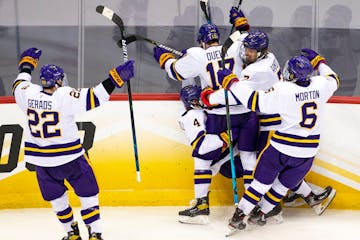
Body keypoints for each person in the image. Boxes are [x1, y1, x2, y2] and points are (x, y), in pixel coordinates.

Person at [204, 48, 338, 233]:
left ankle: (239, 217)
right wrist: (320, 62)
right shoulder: (320, 85)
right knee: (281, 187)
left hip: (282, 147)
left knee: (260, 184)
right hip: (308, 152)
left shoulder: (284, 90)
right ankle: (262, 214)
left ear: (291, 74)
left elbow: (254, 102)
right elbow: (333, 78)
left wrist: (232, 83)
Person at [13, 47, 135, 240]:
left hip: (42, 163)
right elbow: (96, 96)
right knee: (88, 194)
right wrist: (116, 78)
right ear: (59, 81)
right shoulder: (64, 96)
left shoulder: (27, 94)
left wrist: (26, 64)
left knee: (57, 199)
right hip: (70, 159)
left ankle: (71, 232)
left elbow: (20, 81)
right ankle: (95, 233)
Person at [153, 8, 260, 224]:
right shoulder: (235, 45)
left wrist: (163, 57)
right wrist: (241, 23)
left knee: (202, 159)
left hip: (219, 114)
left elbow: (175, 72)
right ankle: (252, 206)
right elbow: (252, 42)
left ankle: (201, 206)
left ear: (202, 41)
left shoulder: (197, 54)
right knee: (249, 158)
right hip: (246, 111)